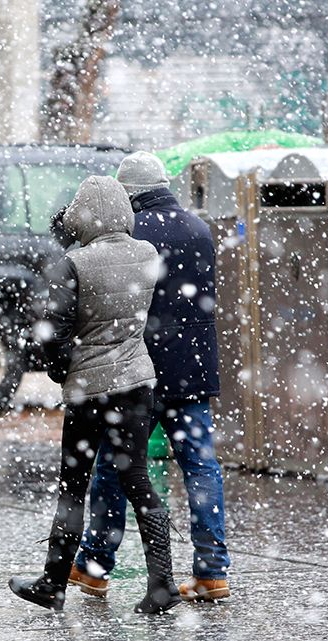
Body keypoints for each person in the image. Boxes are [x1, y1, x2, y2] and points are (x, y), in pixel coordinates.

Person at [8, 175, 180, 614]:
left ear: (83, 216)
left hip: (90, 391)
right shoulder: (146, 253)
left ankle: (53, 582)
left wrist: (60, 369)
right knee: (137, 481)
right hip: (137, 384)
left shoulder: (74, 263)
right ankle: (162, 584)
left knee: (74, 486)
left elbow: (55, 333)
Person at [68, 151, 231, 602]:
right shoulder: (200, 228)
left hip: (139, 370)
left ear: (129, 194)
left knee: (114, 465)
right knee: (200, 465)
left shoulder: (132, 234)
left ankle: (95, 566)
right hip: (193, 370)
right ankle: (212, 571)